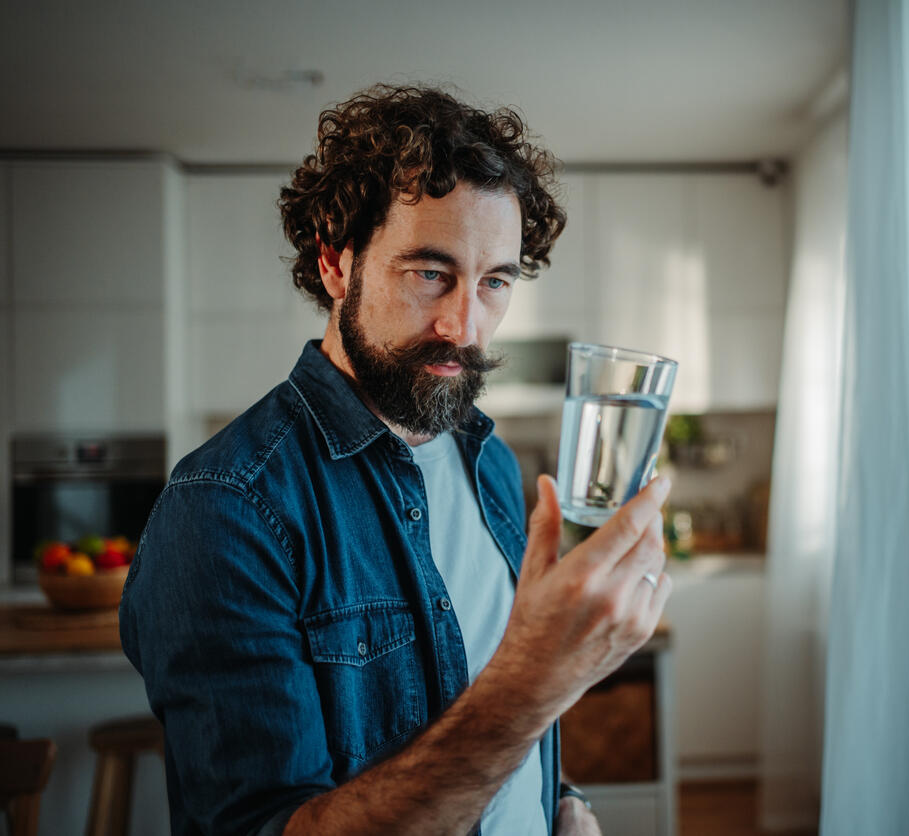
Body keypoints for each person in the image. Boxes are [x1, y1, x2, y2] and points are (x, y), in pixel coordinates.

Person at [119, 84, 673, 836]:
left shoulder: (491, 462)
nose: (464, 324)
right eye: (429, 273)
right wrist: (539, 683)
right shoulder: (225, 509)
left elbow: (480, 688)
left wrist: (559, 800)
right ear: (336, 263)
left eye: (495, 282)